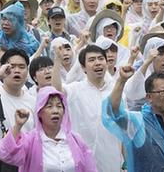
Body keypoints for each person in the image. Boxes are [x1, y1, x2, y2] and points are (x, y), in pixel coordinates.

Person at [102, 68, 164, 172]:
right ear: (149, 97)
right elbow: (113, 113)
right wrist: (121, 80)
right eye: (162, 92)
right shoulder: (138, 123)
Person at [52, 44, 124, 172]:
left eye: (101, 59)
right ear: (84, 68)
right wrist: (57, 60)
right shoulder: (75, 89)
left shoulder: (116, 92)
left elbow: (123, 127)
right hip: (81, 160)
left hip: (111, 160)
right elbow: (56, 90)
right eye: (91, 60)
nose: (97, 63)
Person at [0, 86, 98, 172]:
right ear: (39, 112)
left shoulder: (76, 140)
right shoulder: (30, 140)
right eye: (49, 106)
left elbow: (90, 168)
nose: (55, 111)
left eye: (59, 106)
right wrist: (18, 126)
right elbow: (6, 155)